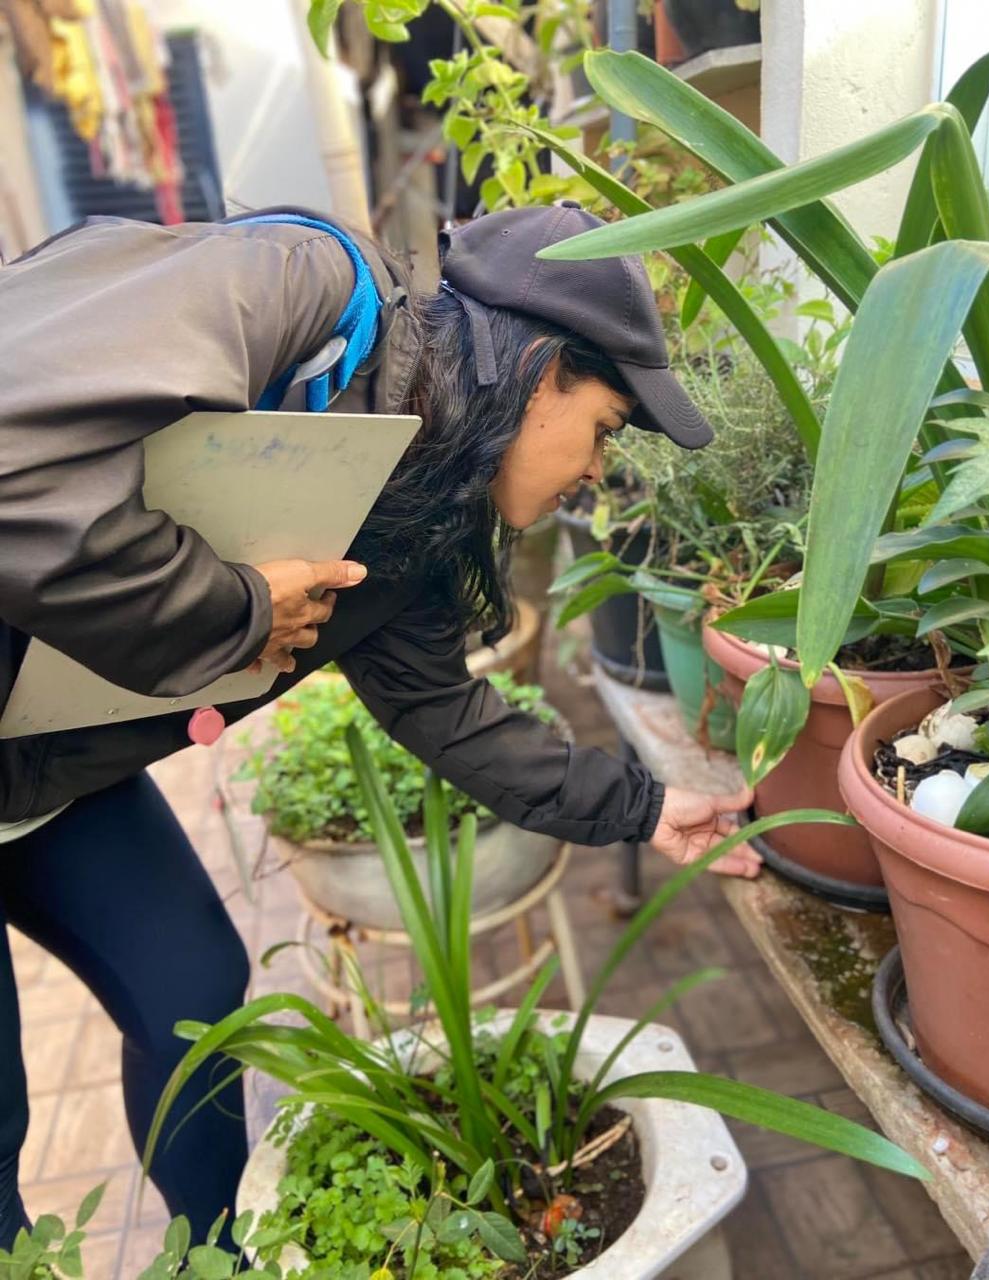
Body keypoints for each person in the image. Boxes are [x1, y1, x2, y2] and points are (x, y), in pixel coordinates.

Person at [0, 201, 759, 1251]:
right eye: (607, 428)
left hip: (40, 777)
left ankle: (214, 1260)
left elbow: (450, 715)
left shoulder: (418, 523)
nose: (597, 470)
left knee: (192, 993)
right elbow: (15, 466)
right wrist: (241, 610)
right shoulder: (293, 293)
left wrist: (646, 805)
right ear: (544, 374)